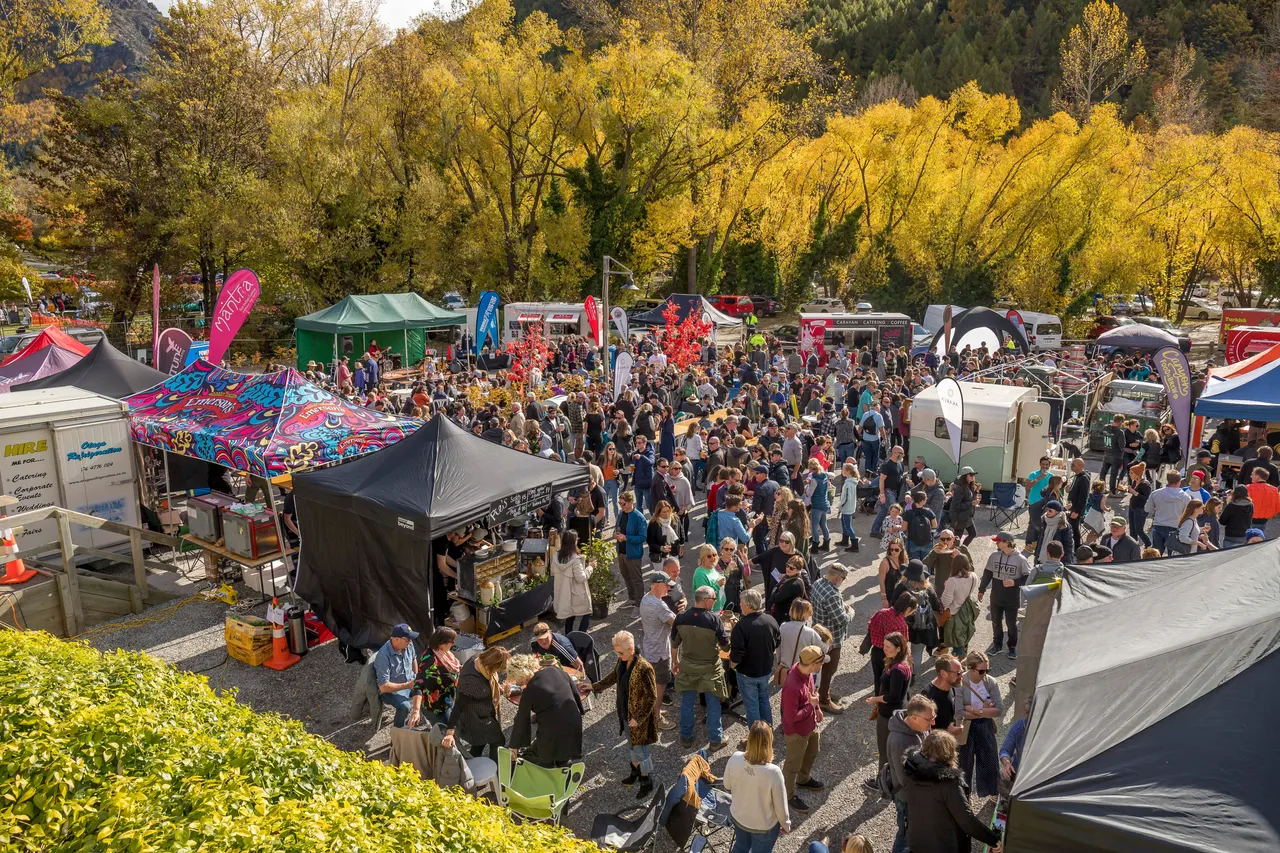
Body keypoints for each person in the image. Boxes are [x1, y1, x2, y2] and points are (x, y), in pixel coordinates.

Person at [901, 731, 1003, 853]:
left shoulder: (911, 769)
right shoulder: (949, 784)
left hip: (917, 841)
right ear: (949, 753)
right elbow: (967, 821)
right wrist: (992, 839)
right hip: (944, 845)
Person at [591, 630, 659, 798]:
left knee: (641, 750)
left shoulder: (644, 668)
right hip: (625, 714)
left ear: (631, 649)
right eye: (615, 651)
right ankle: (635, 773)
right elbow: (614, 676)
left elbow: (652, 697)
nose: (617, 655)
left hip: (638, 719)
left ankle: (647, 781)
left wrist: (639, 718)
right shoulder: (622, 660)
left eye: (620, 652)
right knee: (632, 745)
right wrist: (595, 687)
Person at [672, 585, 732, 748]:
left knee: (687, 702)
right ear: (706, 601)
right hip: (710, 670)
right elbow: (725, 647)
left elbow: (675, 643)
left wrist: (675, 662)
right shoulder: (714, 620)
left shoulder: (681, 617)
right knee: (713, 703)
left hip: (688, 667)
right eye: (713, 599)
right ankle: (715, 739)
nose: (714, 602)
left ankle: (686, 737)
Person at [724, 721, 791, 853]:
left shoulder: (735, 758)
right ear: (769, 742)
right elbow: (780, 808)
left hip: (739, 818)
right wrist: (786, 825)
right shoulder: (773, 772)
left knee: (740, 847)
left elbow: (727, 786)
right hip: (764, 826)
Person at [509, 655, 586, 768]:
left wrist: (514, 746)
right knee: (565, 756)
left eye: (518, 679)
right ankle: (565, 778)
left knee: (547, 759)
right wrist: (581, 710)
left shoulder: (530, 690)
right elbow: (573, 692)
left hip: (551, 731)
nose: (519, 682)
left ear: (521, 674)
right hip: (573, 721)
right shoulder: (556, 670)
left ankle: (550, 778)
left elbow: (521, 719)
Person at [885, 695, 938, 853]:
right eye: (929, 719)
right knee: (905, 837)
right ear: (914, 718)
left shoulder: (919, 727)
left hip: (920, 795)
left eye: (934, 717)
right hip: (908, 798)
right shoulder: (899, 741)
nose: (933, 723)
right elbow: (905, 779)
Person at [781, 646, 827, 814]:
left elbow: (811, 690)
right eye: (821, 662)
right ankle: (788, 794)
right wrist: (811, 706)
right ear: (813, 664)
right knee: (792, 764)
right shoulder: (792, 686)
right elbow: (790, 717)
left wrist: (817, 709)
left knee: (813, 751)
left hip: (809, 724)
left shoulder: (805, 671)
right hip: (796, 732)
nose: (823, 665)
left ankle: (803, 779)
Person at [446, 645, 511, 760]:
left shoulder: (478, 659)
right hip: (477, 719)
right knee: (498, 741)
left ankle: (473, 765)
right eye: (497, 669)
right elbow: (458, 706)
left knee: (478, 744)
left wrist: (499, 688)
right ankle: (497, 769)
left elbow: (490, 680)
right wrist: (450, 731)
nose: (497, 672)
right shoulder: (471, 682)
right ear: (492, 665)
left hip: (479, 715)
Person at [865, 631, 912, 789]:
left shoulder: (898, 670)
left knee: (884, 749)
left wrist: (875, 700)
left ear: (898, 648)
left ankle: (882, 782)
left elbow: (893, 697)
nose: (884, 649)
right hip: (897, 712)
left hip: (889, 714)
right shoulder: (904, 662)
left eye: (888, 646)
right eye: (884, 645)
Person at [731, 588, 782, 727]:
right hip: (765, 670)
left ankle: (756, 740)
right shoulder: (770, 620)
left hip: (747, 673)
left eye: (741, 603)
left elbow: (737, 654)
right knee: (764, 700)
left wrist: (732, 665)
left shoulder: (741, 626)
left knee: (752, 706)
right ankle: (767, 732)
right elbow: (777, 641)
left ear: (747, 605)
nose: (740, 605)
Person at [957, 650, 1003, 800]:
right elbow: (959, 711)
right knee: (964, 763)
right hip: (966, 726)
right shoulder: (960, 683)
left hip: (984, 723)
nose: (985, 674)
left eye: (987, 670)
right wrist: (986, 710)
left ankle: (993, 791)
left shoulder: (990, 682)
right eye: (982, 671)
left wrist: (976, 710)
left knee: (990, 759)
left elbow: (999, 710)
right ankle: (964, 796)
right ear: (970, 668)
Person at [978, 532, 1031, 660]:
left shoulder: (1021, 559)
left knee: (1011, 624)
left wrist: (1015, 582)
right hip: (996, 596)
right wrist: (981, 589)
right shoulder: (994, 556)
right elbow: (987, 573)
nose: (996, 543)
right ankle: (997, 645)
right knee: (996, 622)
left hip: (1012, 598)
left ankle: (1012, 648)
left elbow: (1028, 577)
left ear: (1007, 542)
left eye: (998, 541)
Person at [808, 563, 851, 713]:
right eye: (843, 578)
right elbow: (841, 620)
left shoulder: (818, 583)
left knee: (822, 669)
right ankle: (824, 700)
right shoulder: (832, 594)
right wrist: (850, 613)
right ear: (837, 578)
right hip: (832, 638)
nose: (843, 581)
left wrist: (840, 605)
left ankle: (823, 691)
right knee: (829, 670)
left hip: (819, 631)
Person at [639, 571, 678, 730]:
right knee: (660, 684)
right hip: (660, 651)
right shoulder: (659, 605)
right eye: (666, 585)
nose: (668, 588)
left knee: (652, 684)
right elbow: (675, 623)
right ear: (656, 585)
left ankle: (654, 710)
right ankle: (656, 717)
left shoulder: (645, 598)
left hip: (649, 647)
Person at [890, 559, 941, 672]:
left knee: (900, 651)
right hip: (922, 627)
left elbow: (892, 605)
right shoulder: (929, 589)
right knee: (916, 655)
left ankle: (897, 673)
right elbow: (937, 606)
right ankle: (911, 676)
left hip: (902, 625)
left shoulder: (901, 588)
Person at [405, 626, 460, 728]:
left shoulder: (445, 654)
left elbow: (454, 670)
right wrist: (415, 710)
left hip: (448, 699)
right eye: (450, 642)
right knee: (445, 730)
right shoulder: (430, 660)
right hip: (436, 707)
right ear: (441, 643)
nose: (453, 644)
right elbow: (418, 684)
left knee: (454, 725)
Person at [374, 623, 420, 727]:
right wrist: (408, 685)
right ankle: (398, 732)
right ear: (396, 639)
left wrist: (416, 675)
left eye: (411, 639)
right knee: (405, 707)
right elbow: (384, 687)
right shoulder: (383, 656)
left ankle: (420, 717)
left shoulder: (408, 644)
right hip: (391, 690)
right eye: (407, 639)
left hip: (409, 682)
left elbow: (414, 659)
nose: (410, 642)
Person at [550, 529, 593, 634]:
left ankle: (569, 637)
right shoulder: (575, 560)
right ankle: (580, 635)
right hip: (576, 592)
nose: (577, 540)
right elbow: (581, 578)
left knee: (570, 616)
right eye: (576, 539)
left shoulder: (556, 556)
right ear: (573, 542)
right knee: (587, 613)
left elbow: (552, 572)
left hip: (564, 593)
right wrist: (590, 568)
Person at [939, 555, 979, 656]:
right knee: (964, 636)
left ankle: (958, 663)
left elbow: (946, 601)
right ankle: (963, 657)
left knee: (957, 640)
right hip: (967, 611)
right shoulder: (973, 576)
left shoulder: (953, 581)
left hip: (954, 614)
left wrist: (946, 586)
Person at [615, 491, 649, 608]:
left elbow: (643, 537)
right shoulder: (621, 514)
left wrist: (626, 538)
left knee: (636, 579)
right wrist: (616, 535)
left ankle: (639, 604)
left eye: (623, 504)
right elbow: (617, 528)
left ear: (631, 502)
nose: (621, 506)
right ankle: (632, 598)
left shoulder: (639, 517)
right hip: (621, 552)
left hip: (633, 554)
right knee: (627, 577)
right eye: (619, 503)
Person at [1149, 469, 1190, 554]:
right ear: (1179, 481)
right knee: (1173, 557)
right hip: (1175, 527)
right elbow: (1186, 514)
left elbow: (1148, 509)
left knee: (1156, 555)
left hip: (1158, 525)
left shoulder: (1155, 493)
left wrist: (1157, 510)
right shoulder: (1186, 497)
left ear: (1168, 480)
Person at [922, 655, 964, 736]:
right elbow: (922, 731)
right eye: (958, 673)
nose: (962, 676)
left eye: (962, 671)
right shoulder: (928, 698)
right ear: (943, 673)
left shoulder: (951, 687)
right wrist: (947, 732)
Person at [872, 445, 906, 538]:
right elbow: (881, 480)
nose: (903, 455)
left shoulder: (899, 463)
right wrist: (882, 494)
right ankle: (899, 532)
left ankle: (875, 531)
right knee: (896, 511)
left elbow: (900, 475)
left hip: (895, 492)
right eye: (901, 453)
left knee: (884, 511)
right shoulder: (887, 465)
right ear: (895, 453)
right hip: (888, 492)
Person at [767, 555, 809, 623]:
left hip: (785, 618)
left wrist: (775, 589)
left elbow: (776, 598)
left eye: (792, 568)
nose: (788, 569)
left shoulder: (793, 584)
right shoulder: (790, 577)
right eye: (787, 566)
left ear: (798, 570)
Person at [803, 459, 832, 551]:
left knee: (814, 525)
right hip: (825, 504)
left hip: (817, 505)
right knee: (823, 524)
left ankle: (815, 544)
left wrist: (806, 488)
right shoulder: (824, 476)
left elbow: (809, 493)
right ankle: (826, 543)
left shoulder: (814, 480)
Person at [947, 467, 980, 546]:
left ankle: (962, 550)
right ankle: (953, 554)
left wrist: (976, 491)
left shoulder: (969, 485)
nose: (973, 476)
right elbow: (957, 505)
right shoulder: (960, 487)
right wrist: (971, 503)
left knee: (973, 534)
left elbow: (969, 497)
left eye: (974, 474)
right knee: (957, 540)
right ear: (965, 476)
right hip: (959, 517)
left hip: (966, 515)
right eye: (971, 474)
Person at [902, 491, 937, 561]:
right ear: (922, 501)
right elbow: (935, 525)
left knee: (913, 563)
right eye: (926, 498)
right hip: (927, 541)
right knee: (926, 563)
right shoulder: (929, 511)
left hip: (912, 540)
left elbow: (904, 528)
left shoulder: (908, 513)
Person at [693, 543, 729, 611]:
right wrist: (718, 585)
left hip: (719, 607)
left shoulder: (712, 568)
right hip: (709, 610)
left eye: (714, 555)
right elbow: (703, 596)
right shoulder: (699, 574)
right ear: (703, 557)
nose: (713, 558)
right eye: (709, 556)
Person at [1247, 466, 1280, 535]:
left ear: (1257, 476)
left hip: (1249, 519)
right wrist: (1270, 514)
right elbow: (1278, 506)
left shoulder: (1248, 488)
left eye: (1252, 474)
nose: (1251, 476)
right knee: (1258, 540)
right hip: (1264, 520)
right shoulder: (1274, 490)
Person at [1066, 457, 1091, 546]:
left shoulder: (1084, 478)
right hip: (1072, 506)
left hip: (1076, 508)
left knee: (1074, 529)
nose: (1071, 466)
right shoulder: (1077, 476)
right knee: (1072, 528)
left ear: (1080, 466)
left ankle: (1076, 547)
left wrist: (1077, 511)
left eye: (1073, 465)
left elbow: (1083, 497)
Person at [837, 462, 862, 552]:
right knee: (844, 523)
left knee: (847, 525)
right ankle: (845, 540)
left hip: (847, 508)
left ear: (848, 471)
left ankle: (855, 545)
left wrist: (840, 505)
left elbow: (846, 497)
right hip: (849, 507)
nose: (842, 471)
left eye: (843, 469)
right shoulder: (851, 481)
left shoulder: (848, 483)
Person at [1127, 463, 1152, 546]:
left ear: (1137, 474)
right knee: (1132, 529)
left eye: (1131, 473)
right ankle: (1133, 546)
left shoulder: (1145, 484)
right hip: (1132, 507)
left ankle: (1148, 544)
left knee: (1139, 530)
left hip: (1140, 509)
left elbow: (1147, 498)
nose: (1129, 474)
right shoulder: (1135, 481)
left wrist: (1135, 493)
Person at [878, 539, 908, 608]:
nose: (893, 552)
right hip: (890, 595)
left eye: (896, 550)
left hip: (902, 594)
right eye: (891, 549)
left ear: (901, 549)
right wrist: (884, 598)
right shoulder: (885, 563)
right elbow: (881, 581)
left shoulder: (905, 559)